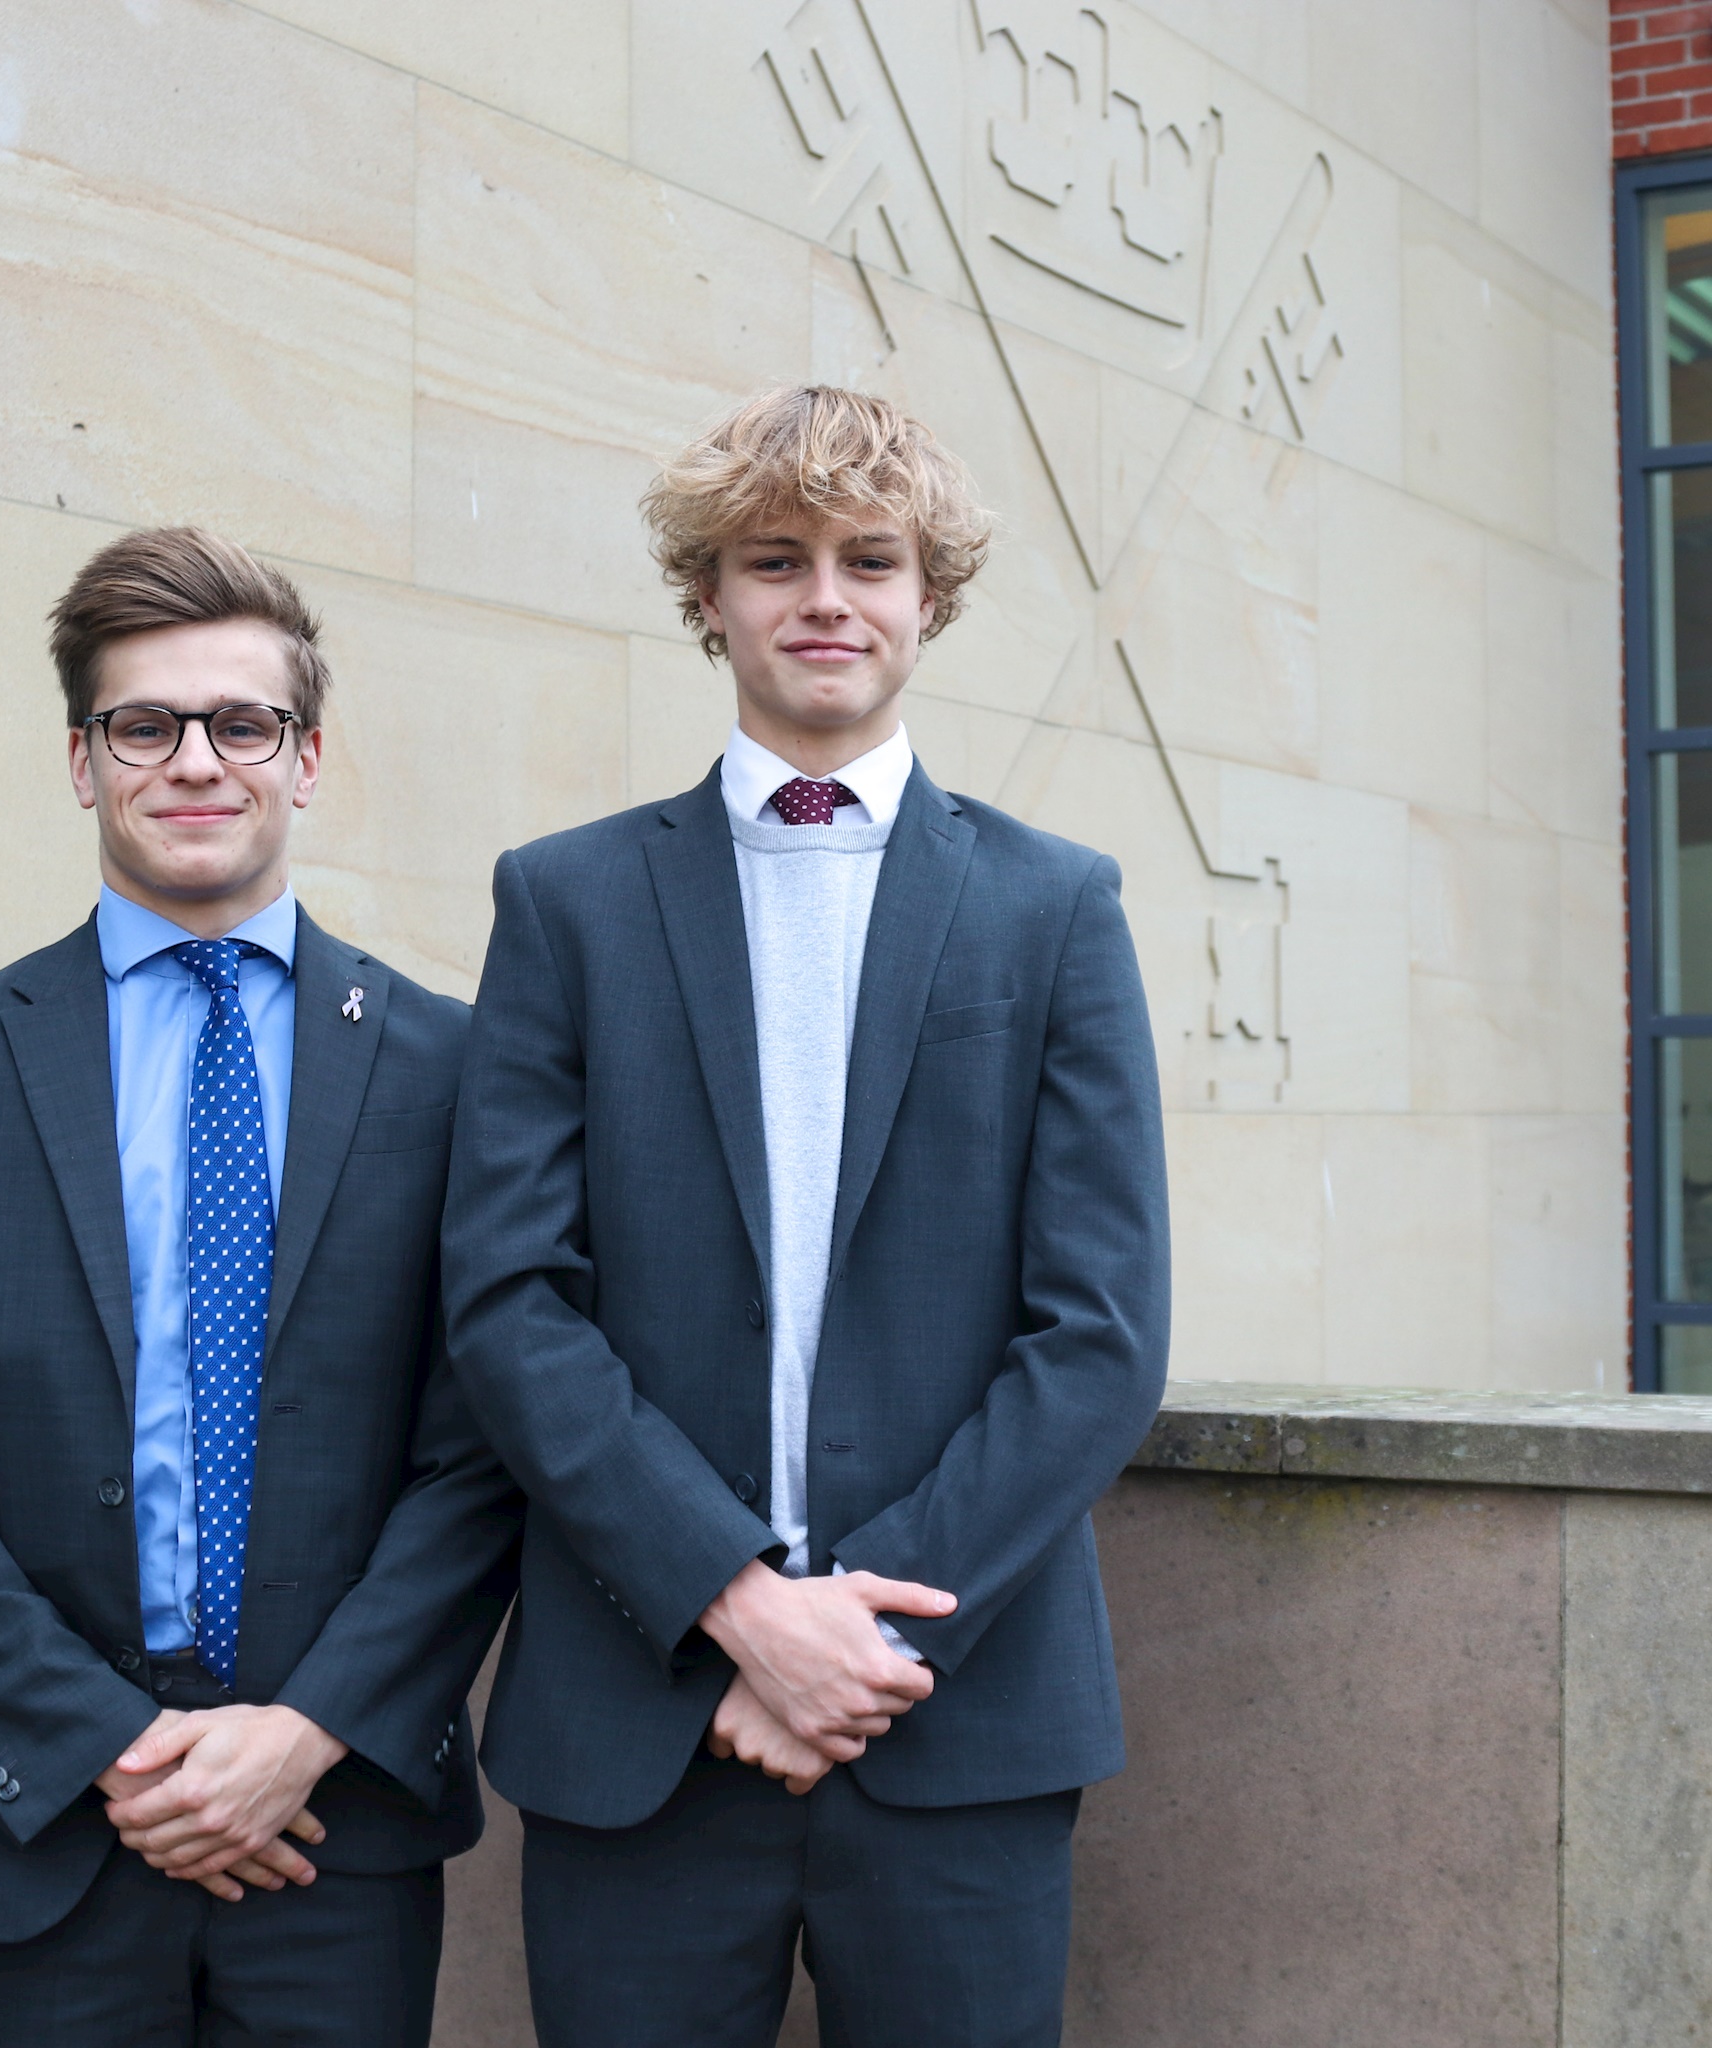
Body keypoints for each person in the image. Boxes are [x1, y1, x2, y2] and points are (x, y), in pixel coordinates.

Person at [442, 386, 1171, 2048]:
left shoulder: (1057, 909)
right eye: (774, 559)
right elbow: (508, 1300)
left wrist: (857, 1635)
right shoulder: (565, 899)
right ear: (709, 595)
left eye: (870, 558)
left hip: (957, 1723)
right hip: (643, 1722)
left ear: (930, 598)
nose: (824, 595)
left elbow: (1102, 1331)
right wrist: (743, 1609)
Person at [0, 528, 519, 2046]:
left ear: (305, 757)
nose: (195, 762)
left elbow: (482, 1452)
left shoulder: (452, 1071)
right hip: (44, 1827)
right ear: (84, 761)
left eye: (241, 724)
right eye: (145, 725)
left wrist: (302, 1735)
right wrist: (124, 1757)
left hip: (332, 1822)